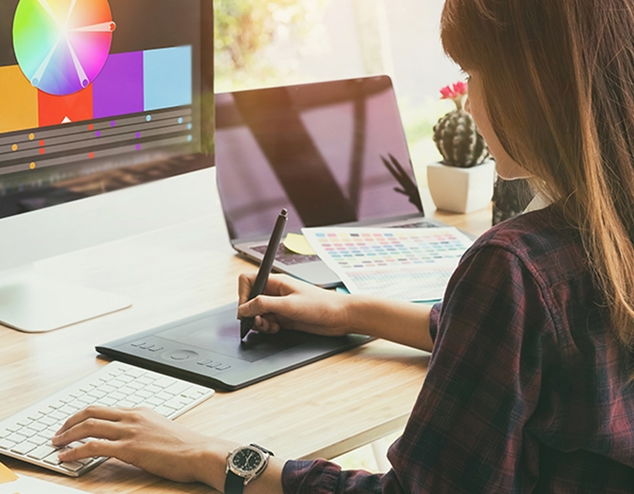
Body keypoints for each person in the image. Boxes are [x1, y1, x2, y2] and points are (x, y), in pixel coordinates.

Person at [51, 0, 634, 491]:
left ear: (534, 88)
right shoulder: (594, 243)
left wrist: (211, 456)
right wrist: (351, 310)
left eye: (476, 77)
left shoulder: (513, 267)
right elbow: (524, 347)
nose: (469, 101)